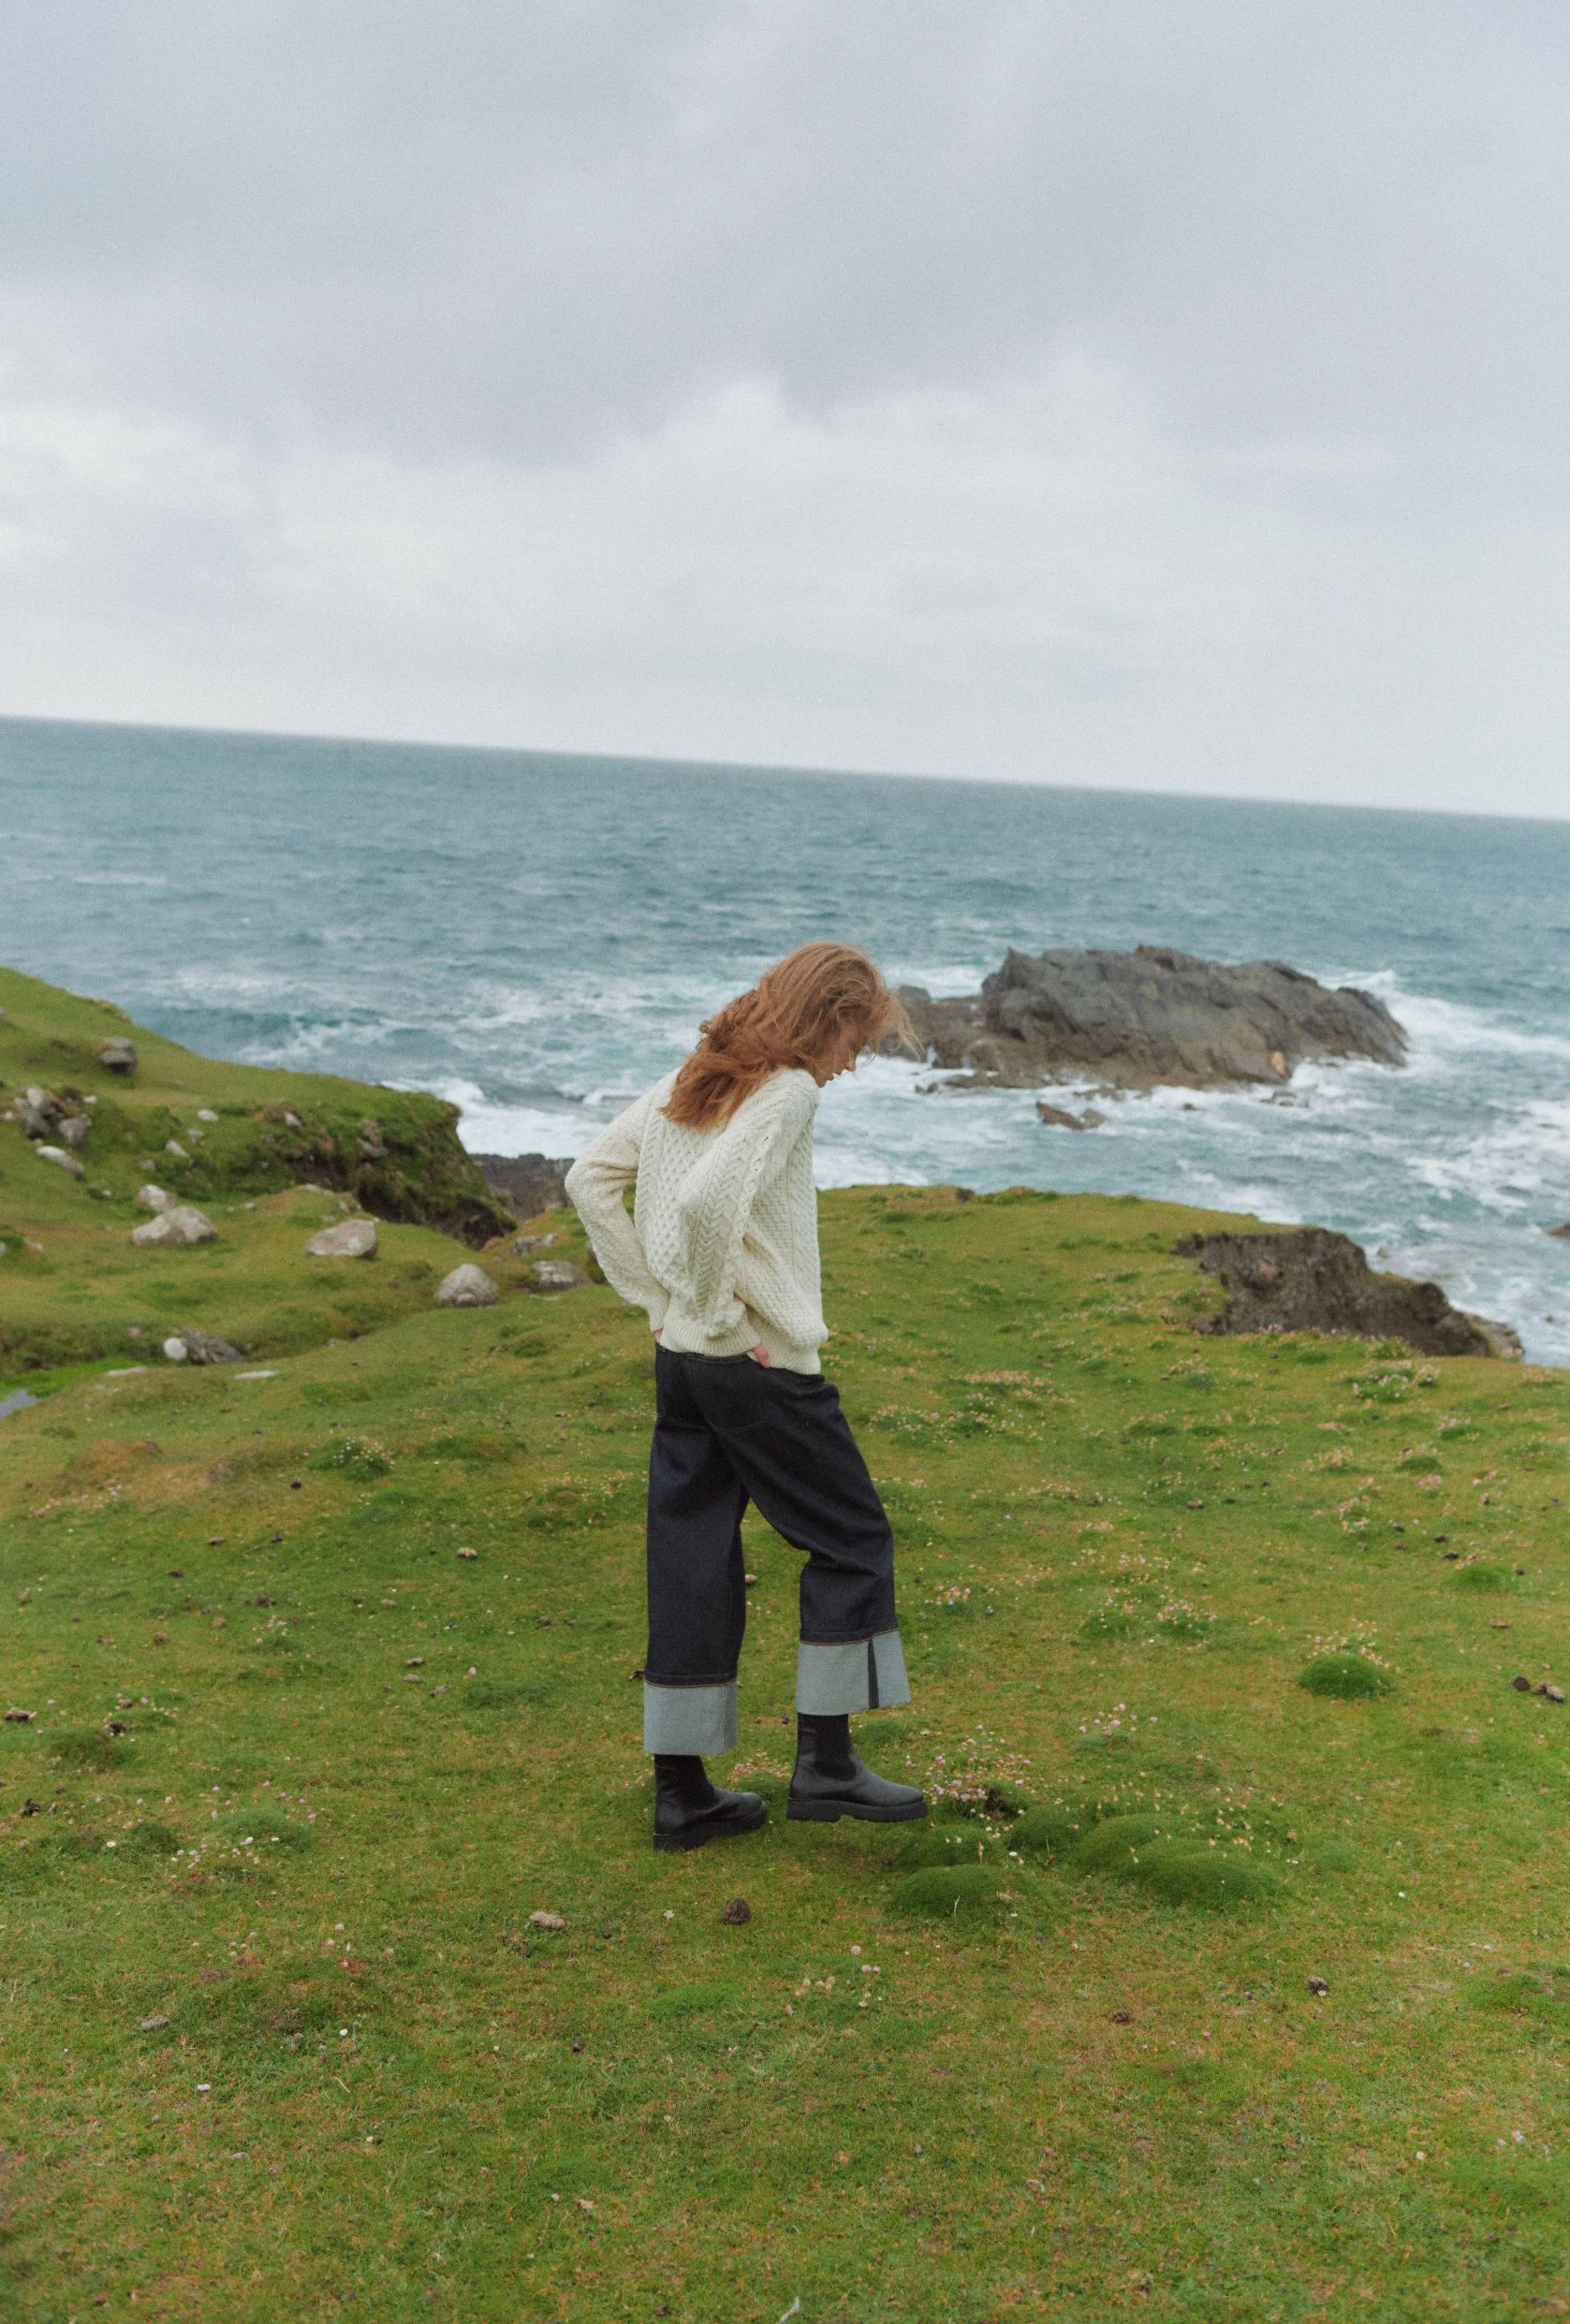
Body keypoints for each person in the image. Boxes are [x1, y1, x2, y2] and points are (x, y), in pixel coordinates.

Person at [565, 941, 928, 1852]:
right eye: (859, 1039)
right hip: (752, 1363)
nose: (853, 1063)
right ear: (829, 1017)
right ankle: (827, 1764)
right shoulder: (789, 1089)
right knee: (853, 1537)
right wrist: (715, 1303)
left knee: (693, 1558)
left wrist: (661, 1303)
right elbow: (702, 1203)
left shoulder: (701, 1072)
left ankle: (682, 1793)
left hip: (683, 1365)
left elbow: (591, 1180)